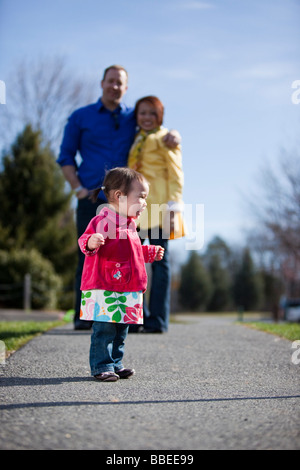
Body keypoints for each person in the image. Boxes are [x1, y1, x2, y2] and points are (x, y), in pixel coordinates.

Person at [57, 65, 180, 329]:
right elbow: (65, 156)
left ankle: (125, 315)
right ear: (102, 83)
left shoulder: (131, 117)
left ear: (125, 88)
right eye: (110, 81)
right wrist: (77, 187)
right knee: (89, 253)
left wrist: (174, 134)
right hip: (92, 198)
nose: (114, 86)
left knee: (126, 256)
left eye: (120, 83)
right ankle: (85, 316)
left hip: (126, 203)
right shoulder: (81, 117)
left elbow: (153, 131)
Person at [78, 167, 164, 382]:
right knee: (105, 328)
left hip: (126, 286)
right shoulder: (101, 221)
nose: (144, 203)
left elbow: (131, 253)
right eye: (141, 197)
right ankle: (102, 366)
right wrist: (91, 241)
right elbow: (84, 242)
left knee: (121, 329)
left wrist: (149, 252)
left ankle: (116, 363)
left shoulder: (131, 225)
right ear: (119, 196)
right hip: (105, 286)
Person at [128, 96, 185, 333]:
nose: (147, 118)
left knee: (160, 263)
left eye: (152, 113)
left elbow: (175, 172)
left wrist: (174, 206)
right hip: (137, 210)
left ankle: (158, 319)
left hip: (161, 208)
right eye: (143, 113)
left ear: (160, 116)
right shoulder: (135, 139)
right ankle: (136, 316)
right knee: (133, 261)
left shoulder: (165, 139)